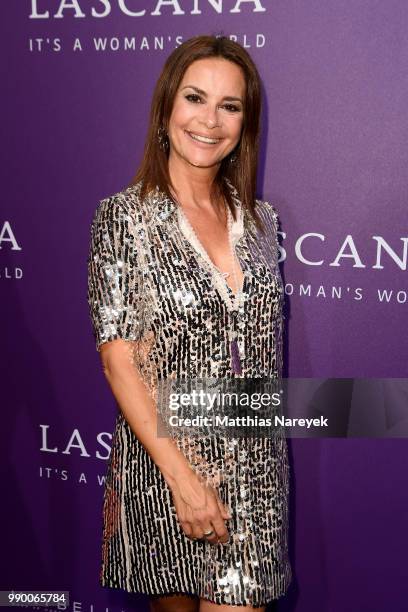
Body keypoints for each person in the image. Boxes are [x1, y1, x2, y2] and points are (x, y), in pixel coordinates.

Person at [87, 35, 292, 612]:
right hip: (163, 463)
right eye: (195, 98)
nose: (210, 120)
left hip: (255, 470)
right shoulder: (125, 216)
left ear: (245, 123)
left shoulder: (261, 222)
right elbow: (118, 358)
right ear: (166, 110)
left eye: (230, 106)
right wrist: (183, 478)